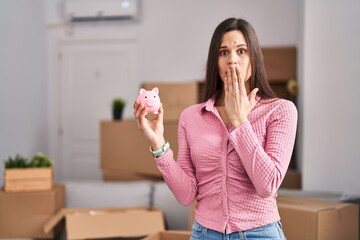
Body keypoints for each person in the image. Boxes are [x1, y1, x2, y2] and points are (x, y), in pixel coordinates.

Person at [134, 18, 297, 240]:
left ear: (254, 58)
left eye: (241, 51)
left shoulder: (281, 110)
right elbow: (186, 195)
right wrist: (158, 144)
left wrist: (240, 120)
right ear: (215, 61)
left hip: (261, 233)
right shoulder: (191, 117)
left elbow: (267, 185)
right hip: (205, 234)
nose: (232, 60)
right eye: (223, 53)